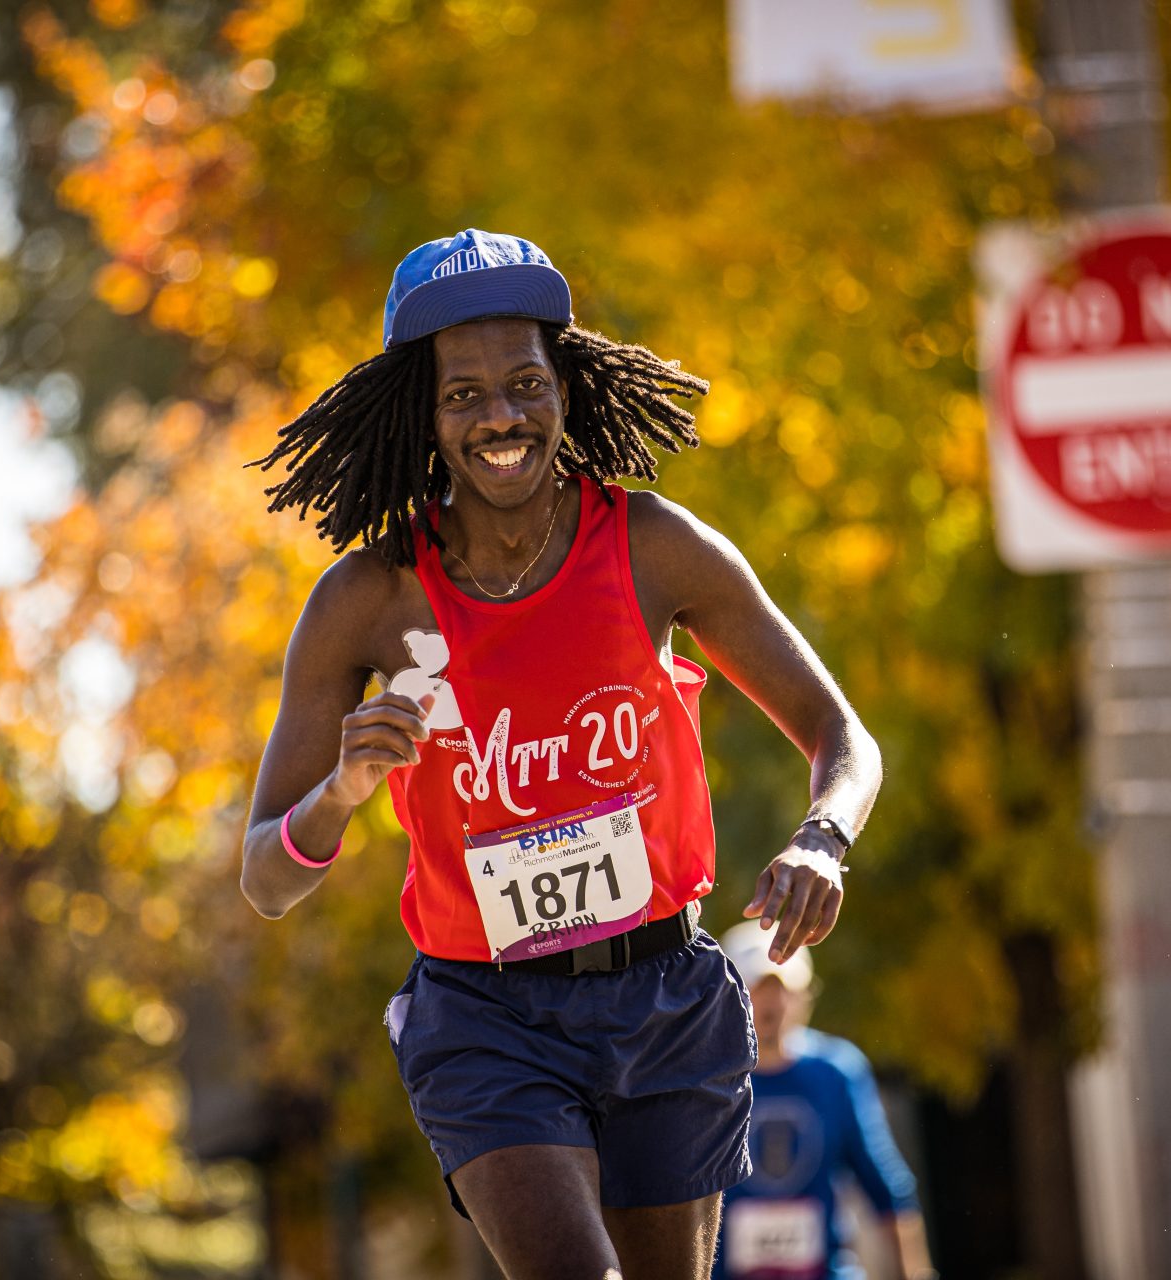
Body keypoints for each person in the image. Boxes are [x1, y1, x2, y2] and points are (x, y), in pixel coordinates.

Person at [237, 229, 882, 1280]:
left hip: (665, 993)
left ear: (567, 390)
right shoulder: (369, 599)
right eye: (465, 395)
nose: (501, 416)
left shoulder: (651, 545)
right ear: (424, 414)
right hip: (488, 1015)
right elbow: (264, 874)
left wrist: (823, 837)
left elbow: (842, 734)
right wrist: (346, 789)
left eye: (527, 383)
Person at [716, 922, 934, 1280]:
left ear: (806, 996)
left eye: (785, 988)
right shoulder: (703, 1083)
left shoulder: (836, 1073)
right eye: (758, 987)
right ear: (728, 997)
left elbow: (887, 1189)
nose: (774, 1003)